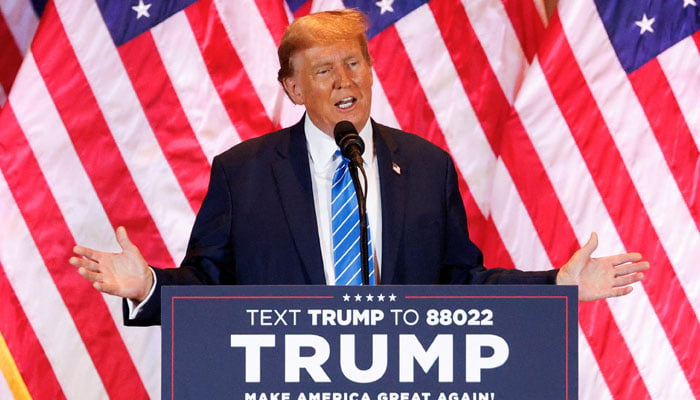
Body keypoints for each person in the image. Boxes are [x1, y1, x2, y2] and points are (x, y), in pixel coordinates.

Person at [69, 9, 648, 326]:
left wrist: (558, 287)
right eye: (323, 71)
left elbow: (458, 283)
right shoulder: (243, 173)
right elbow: (209, 286)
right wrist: (145, 285)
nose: (344, 80)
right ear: (293, 88)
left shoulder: (426, 167)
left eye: (353, 63)